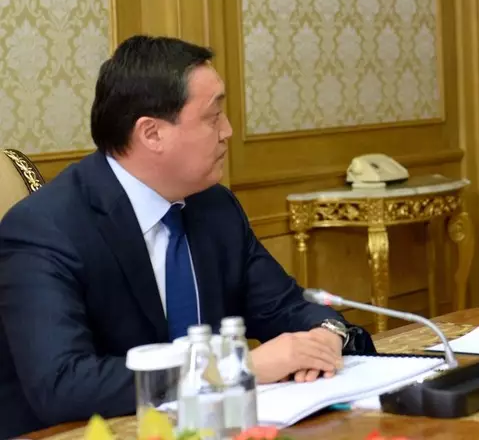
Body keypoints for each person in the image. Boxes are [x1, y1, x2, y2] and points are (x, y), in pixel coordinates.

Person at [0, 36, 376, 436]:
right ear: (151, 134)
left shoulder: (213, 207)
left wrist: (326, 334)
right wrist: (233, 369)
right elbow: (63, 383)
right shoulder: (46, 229)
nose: (228, 131)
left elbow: (285, 306)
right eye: (213, 117)